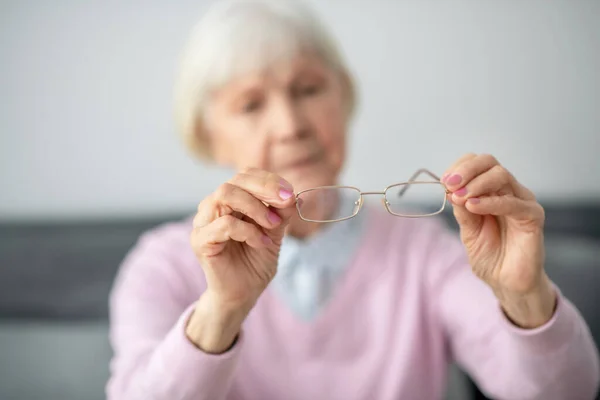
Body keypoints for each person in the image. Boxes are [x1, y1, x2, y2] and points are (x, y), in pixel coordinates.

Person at [106, 0, 600, 399]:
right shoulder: (162, 266)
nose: (291, 124)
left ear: (343, 98)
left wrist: (524, 296)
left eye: (308, 89)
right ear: (207, 136)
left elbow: (566, 393)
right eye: (251, 104)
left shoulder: (424, 252)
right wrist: (222, 310)